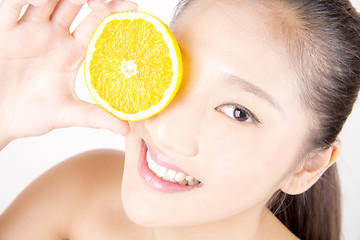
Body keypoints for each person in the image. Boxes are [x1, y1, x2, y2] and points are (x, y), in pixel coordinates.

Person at [0, 0, 359, 239]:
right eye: (174, 67)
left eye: (239, 113)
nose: (164, 129)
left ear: (307, 167)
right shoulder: (79, 194)